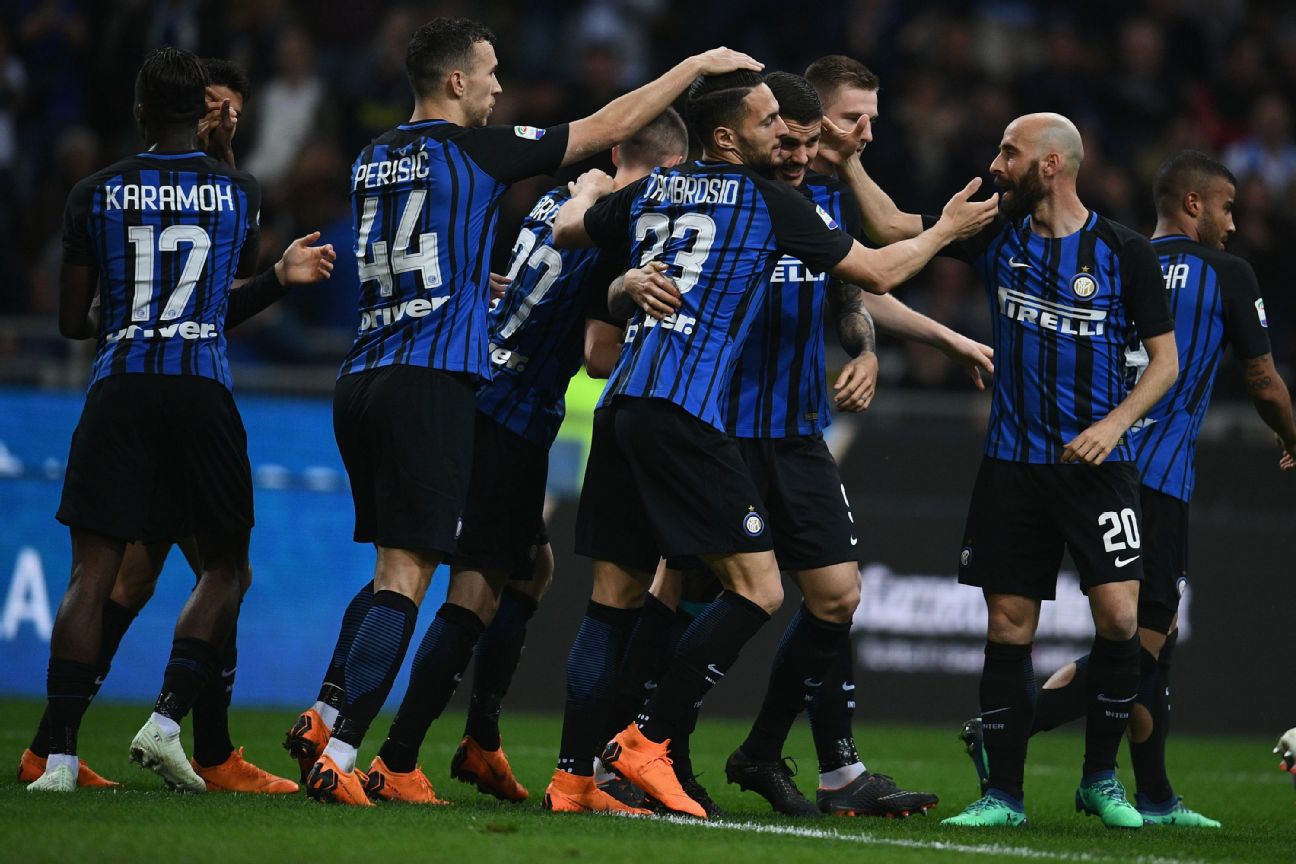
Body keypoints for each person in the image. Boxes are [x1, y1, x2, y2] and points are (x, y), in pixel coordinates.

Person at [288, 15, 762, 807]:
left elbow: (433, 252)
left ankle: (423, 730)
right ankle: (364, 748)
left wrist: (486, 292)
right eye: (490, 72)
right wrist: (699, 63)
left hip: (368, 369)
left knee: (505, 568)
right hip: (463, 394)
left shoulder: (380, 158)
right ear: (455, 82)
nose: (501, 87)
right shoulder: (576, 197)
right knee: (430, 578)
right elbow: (600, 352)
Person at [550, 68, 997, 818]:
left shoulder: (657, 189)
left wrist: (596, 210)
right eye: (772, 125)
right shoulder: (766, 200)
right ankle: (644, 743)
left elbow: (568, 231)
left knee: (641, 595)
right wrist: (949, 229)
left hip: (629, 407)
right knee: (739, 589)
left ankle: (584, 775)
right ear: (729, 135)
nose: (788, 137)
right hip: (695, 416)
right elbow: (885, 261)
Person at [840, 110, 1180, 828]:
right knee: (1008, 627)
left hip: (1101, 467)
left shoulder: (1123, 253)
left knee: (1120, 619)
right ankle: (1004, 797)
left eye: (1009, 152)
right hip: (1012, 468)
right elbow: (890, 225)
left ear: (1051, 165)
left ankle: (1099, 781)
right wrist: (845, 161)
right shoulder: (993, 232)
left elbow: (1166, 362)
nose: (996, 165)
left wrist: (1112, 424)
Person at [357, 109, 690, 807]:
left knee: (531, 569)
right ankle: (396, 757)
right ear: (666, 168)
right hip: (512, 418)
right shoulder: (619, 224)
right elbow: (599, 357)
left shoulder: (558, 198)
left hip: (482, 387)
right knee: (476, 589)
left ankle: (480, 739)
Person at [27, 46, 333, 794]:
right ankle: (169, 726)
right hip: (199, 393)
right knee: (225, 568)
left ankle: (57, 761)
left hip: (121, 388)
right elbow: (217, 293)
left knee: (91, 575)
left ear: (136, 111)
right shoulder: (238, 192)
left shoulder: (93, 194)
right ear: (204, 114)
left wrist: (133, 319)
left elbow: (71, 321)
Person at [974, 150, 1296, 828]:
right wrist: (1293, 436)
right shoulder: (1227, 273)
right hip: (1150, 476)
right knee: (1138, 644)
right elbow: (1263, 380)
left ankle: (1153, 794)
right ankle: (1013, 735)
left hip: (1084, 461)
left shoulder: (1116, 258)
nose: (1235, 227)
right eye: (1229, 209)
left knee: (1150, 642)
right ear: (1194, 205)